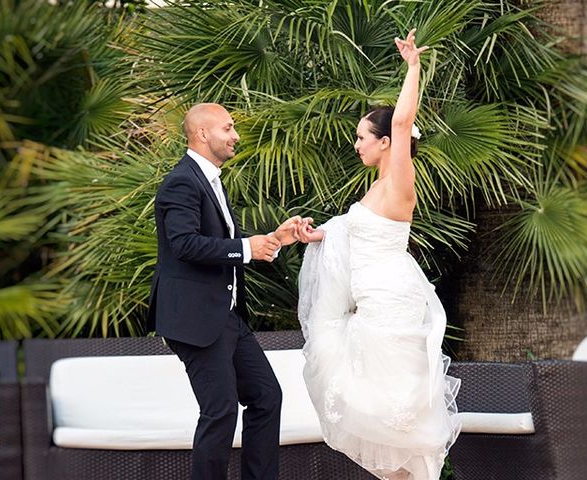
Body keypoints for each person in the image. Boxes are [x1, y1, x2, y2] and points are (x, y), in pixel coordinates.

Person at [295, 30, 461, 480]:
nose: (357, 144)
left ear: (386, 142)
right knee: (375, 413)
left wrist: (412, 68)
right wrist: (318, 236)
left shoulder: (398, 181)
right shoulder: (374, 188)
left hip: (391, 305)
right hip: (370, 304)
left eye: (362, 137)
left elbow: (403, 122)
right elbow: (355, 230)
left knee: (396, 414)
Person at [147, 103, 301, 480]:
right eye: (228, 128)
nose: (235, 136)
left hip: (226, 316)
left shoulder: (211, 180)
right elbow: (184, 243)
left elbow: (222, 241)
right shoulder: (182, 181)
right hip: (196, 318)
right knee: (220, 412)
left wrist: (273, 240)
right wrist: (247, 248)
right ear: (202, 134)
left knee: (266, 397)